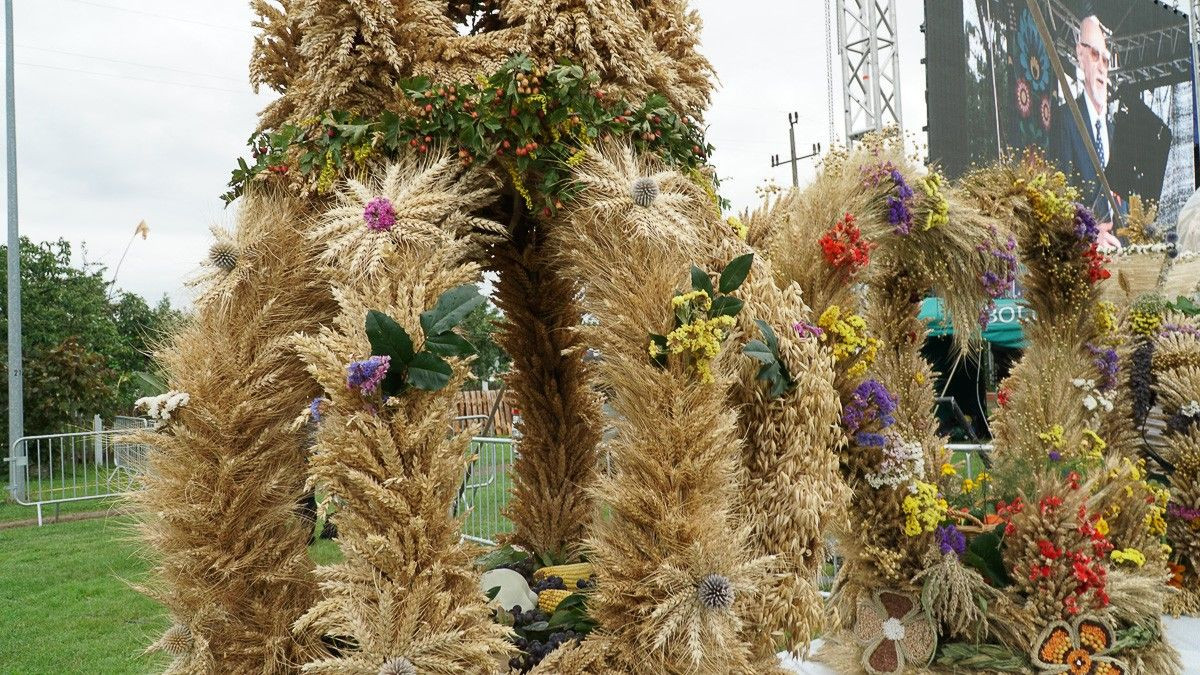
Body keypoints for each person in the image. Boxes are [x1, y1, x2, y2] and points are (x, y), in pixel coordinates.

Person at [1051, 15, 1121, 248]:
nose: (1101, 66)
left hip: (1118, 248)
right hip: (1083, 253)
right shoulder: (1066, 120)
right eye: (1094, 55)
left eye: (1106, 60)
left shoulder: (1113, 129)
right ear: (1080, 56)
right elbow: (1059, 197)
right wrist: (1092, 235)